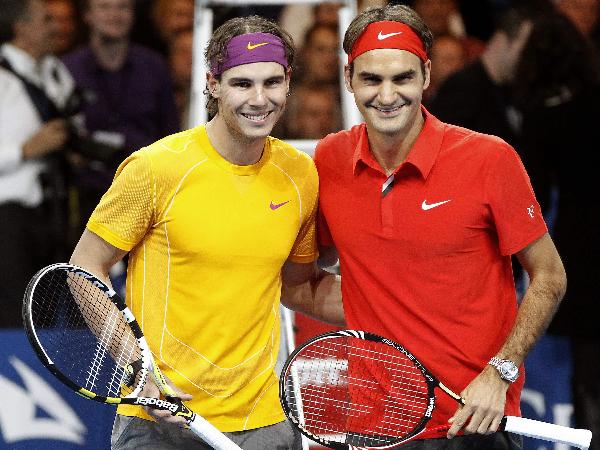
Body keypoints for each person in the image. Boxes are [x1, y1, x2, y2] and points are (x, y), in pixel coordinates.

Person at [284, 4, 566, 449]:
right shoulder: (329, 160)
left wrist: (500, 372)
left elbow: (550, 276)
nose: (387, 94)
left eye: (403, 78)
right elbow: (298, 284)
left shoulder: (490, 159)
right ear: (348, 78)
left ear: (426, 75)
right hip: (377, 426)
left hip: (474, 424)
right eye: (371, 79)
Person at [68, 14, 340, 450]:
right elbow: (84, 267)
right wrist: (138, 372)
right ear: (213, 84)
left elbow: (297, 286)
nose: (259, 99)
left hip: (265, 422)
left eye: (273, 82)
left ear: (289, 82)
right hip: (160, 421)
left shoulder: (299, 174)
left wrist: (404, 313)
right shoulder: (155, 167)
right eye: (242, 84)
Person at [512, 11, 600, 449]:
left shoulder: (543, 118)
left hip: (582, 254)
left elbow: (534, 197)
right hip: (585, 249)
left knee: (590, 376)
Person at [62, 0, 179, 239]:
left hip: (147, 190)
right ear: (87, 15)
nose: (114, 15)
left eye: (123, 7)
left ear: (134, 14)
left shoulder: (154, 67)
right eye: (105, 7)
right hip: (84, 193)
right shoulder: (67, 69)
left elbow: (171, 134)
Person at [0, 0, 74, 327]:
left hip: (52, 214)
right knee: (13, 321)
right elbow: (30, 145)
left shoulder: (56, 73)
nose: (55, 26)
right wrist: (25, 150)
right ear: (21, 27)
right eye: (46, 19)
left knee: (46, 324)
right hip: (7, 221)